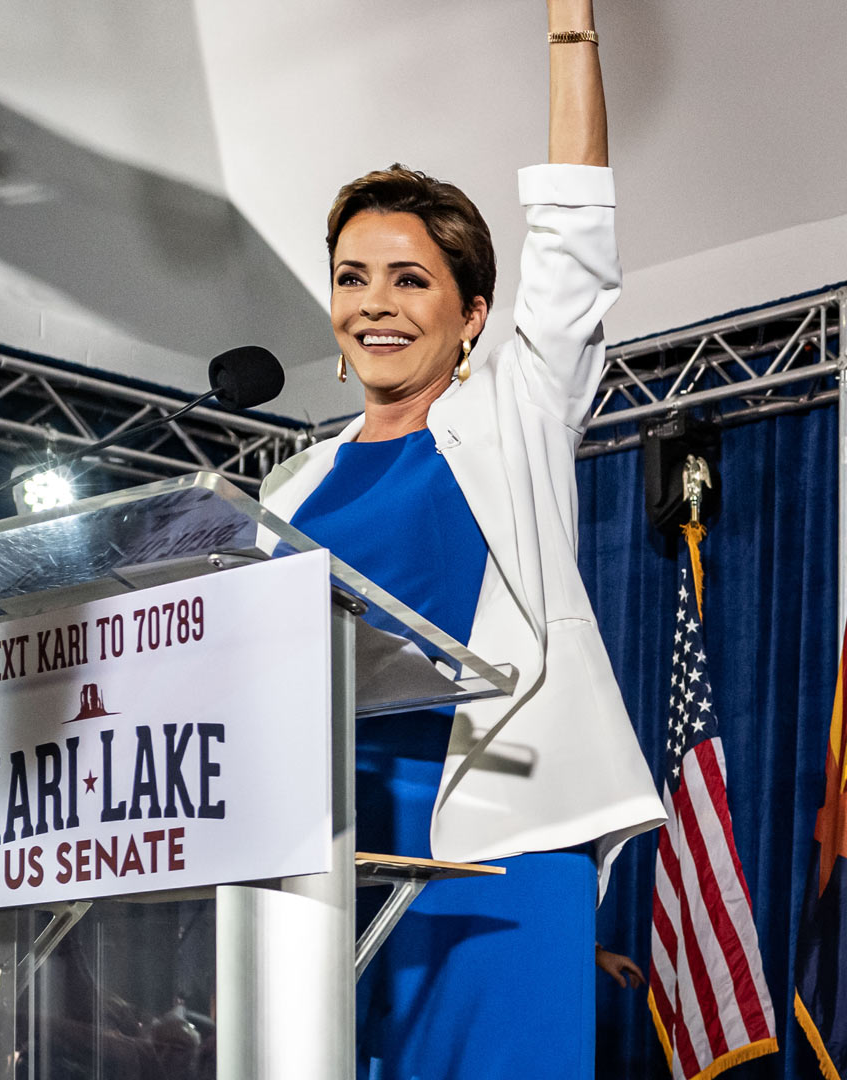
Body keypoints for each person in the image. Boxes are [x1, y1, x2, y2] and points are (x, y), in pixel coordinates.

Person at [258, 1, 665, 1074]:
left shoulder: (515, 413)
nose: (373, 304)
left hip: (500, 839)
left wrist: (569, 24)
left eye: (409, 278)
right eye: (352, 276)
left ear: (472, 312)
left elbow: (577, 228)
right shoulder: (292, 485)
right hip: (326, 856)